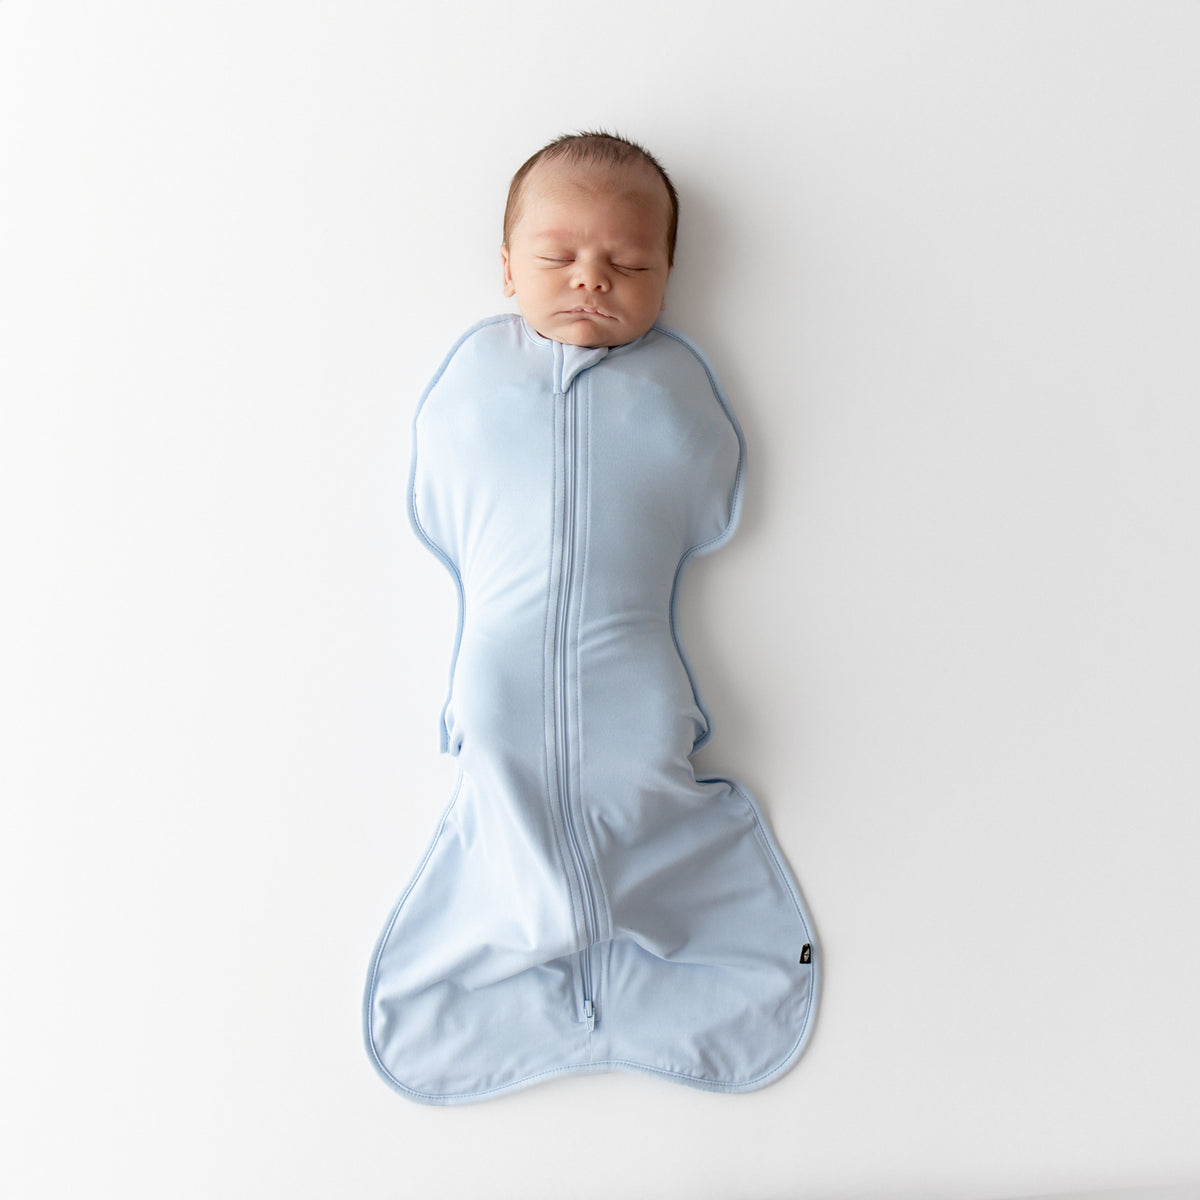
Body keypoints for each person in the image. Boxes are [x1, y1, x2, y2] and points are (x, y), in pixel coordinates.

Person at [364, 131, 819, 1105]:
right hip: (499, 655)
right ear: (505, 269)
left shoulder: (674, 384)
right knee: (497, 762)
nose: (592, 280)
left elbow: (709, 488)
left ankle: (653, 957)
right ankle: (534, 957)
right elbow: (443, 492)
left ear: (667, 275)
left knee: (642, 758)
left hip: (631, 654)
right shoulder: (479, 376)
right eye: (557, 257)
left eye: (629, 263)